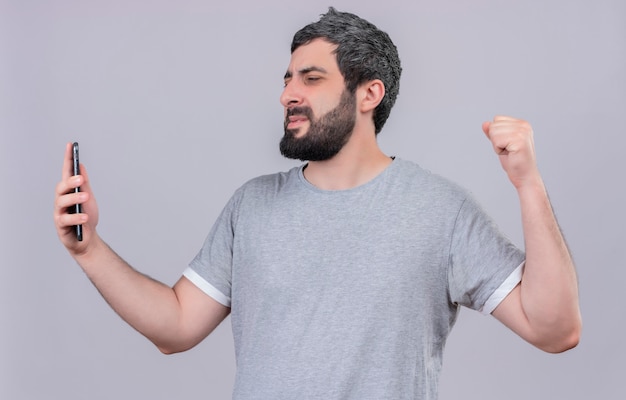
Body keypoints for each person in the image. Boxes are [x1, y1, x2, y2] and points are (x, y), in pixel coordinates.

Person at [54, 7, 581, 400]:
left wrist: (527, 184)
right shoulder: (252, 206)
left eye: (311, 78)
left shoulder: (441, 210)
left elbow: (555, 330)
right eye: (287, 79)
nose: (287, 94)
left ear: (368, 94)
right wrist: (90, 250)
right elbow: (175, 328)